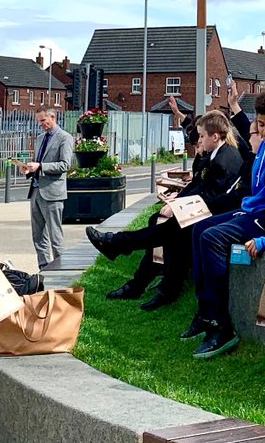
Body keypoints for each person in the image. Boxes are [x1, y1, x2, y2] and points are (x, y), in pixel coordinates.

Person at [185, 90, 265, 360]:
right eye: (261, 124)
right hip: (259, 210)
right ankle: (205, 313)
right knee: (199, 228)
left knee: (212, 238)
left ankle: (222, 327)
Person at [86, 110, 247, 310]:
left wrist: (177, 207)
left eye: (202, 137)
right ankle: (152, 280)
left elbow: (208, 197)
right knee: (164, 226)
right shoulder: (217, 155)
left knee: (170, 232)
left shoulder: (223, 161)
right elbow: (197, 186)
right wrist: (175, 203)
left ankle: (120, 248)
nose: (200, 142)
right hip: (208, 211)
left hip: (217, 216)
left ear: (215, 136)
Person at [19, 107, 75, 269]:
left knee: (55, 235)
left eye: (43, 121)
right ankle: (43, 267)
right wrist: (29, 169)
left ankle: (61, 268)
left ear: (53, 117)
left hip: (52, 192)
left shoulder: (65, 138)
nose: (41, 124)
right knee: (37, 235)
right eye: (39, 121)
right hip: (36, 190)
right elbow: (38, 163)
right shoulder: (40, 138)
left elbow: (65, 165)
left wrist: (41, 166)